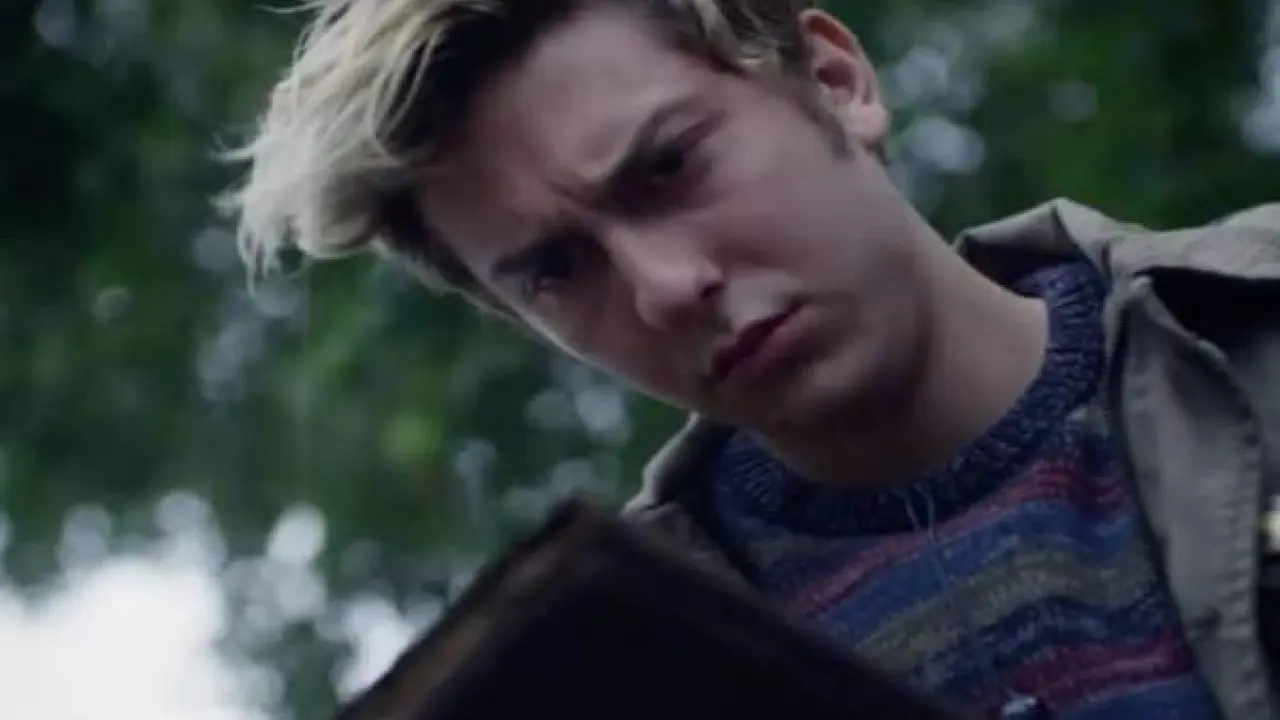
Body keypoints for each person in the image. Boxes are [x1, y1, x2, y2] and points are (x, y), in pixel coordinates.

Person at [219, 0, 1280, 718]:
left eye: (667, 168)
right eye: (556, 269)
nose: (662, 286)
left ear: (833, 79)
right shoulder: (617, 676)